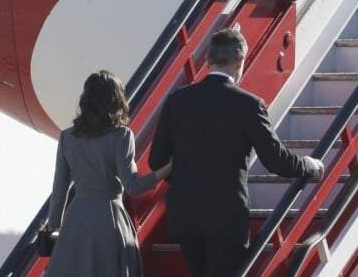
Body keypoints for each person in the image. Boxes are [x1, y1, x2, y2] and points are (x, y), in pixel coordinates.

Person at [149, 28, 324, 277]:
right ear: (241, 61)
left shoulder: (178, 100)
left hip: (185, 217)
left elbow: (156, 160)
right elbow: (276, 160)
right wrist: (309, 165)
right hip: (225, 219)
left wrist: (189, 177)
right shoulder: (248, 104)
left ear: (208, 61)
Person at [45, 70, 172, 276]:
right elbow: (133, 186)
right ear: (116, 99)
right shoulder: (121, 135)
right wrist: (167, 168)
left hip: (77, 221)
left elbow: (59, 190)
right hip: (109, 218)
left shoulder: (68, 137)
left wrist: (54, 228)